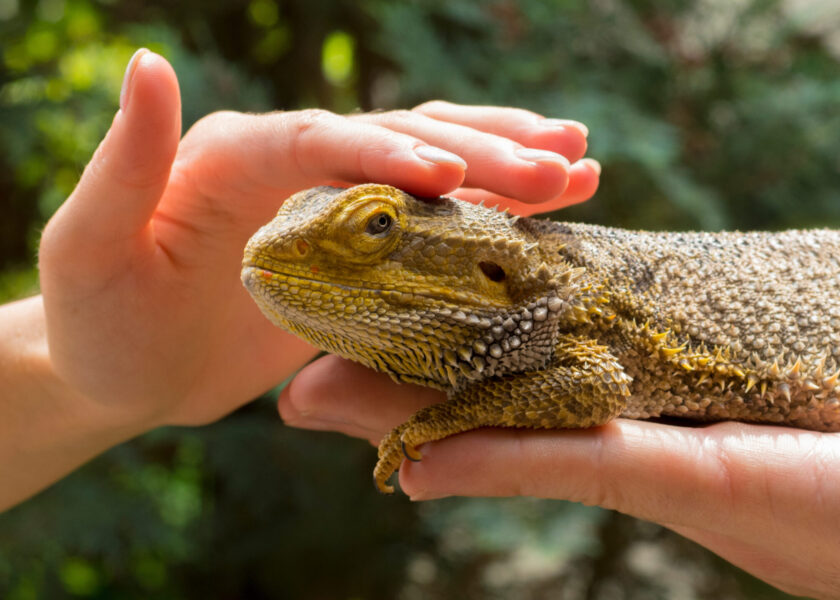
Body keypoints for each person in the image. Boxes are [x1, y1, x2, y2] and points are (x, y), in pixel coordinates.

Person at [0, 49, 836, 599]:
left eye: (371, 233)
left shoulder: (561, 303)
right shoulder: (513, 300)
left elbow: (597, 382)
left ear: (491, 270)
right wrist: (69, 378)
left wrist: (455, 414)